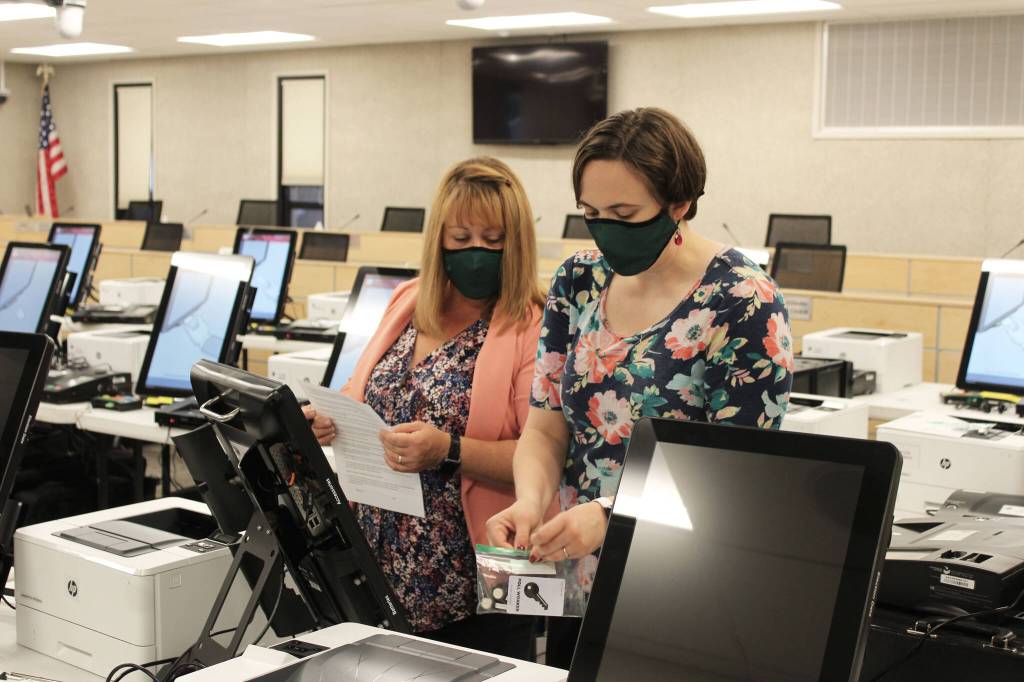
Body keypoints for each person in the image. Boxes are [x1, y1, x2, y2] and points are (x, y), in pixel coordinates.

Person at [486, 107, 795, 667]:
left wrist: (609, 514)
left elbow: (742, 472)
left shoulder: (742, 301)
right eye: (591, 213)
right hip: (574, 572)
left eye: (624, 214)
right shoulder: (579, 279)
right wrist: (531, 501)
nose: (606, 230)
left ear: (679, 203)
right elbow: (547, 424)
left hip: (682, 581)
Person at [302, 157, 545, 658]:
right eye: (461, 238)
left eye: (493, 240)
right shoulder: (409, 300)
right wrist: (329, 420)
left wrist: (448, 450)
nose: (476, 252)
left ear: (515, 242)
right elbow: (361, 392)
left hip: (476, 577)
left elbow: (543, 453)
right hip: (378, 561)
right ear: (439, 239)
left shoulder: (533, 324)